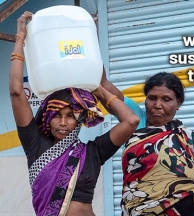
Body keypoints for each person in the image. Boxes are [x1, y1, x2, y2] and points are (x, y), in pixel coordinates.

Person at [9, 11, 139, 216]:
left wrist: (97, 87)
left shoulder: (93, 152)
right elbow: (17, 92)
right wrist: (20, 37)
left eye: (70, 115)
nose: (62, 122)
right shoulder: (34, 145)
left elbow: (131, 120)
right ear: (47, 118)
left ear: (79, 118)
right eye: (57, 115)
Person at [100, 71, 194, 215]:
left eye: (166, 99)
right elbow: (104, 86)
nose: (157, 105)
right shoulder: (134, 120)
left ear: (178, 103)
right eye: (152, 98)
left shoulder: (189, 139)